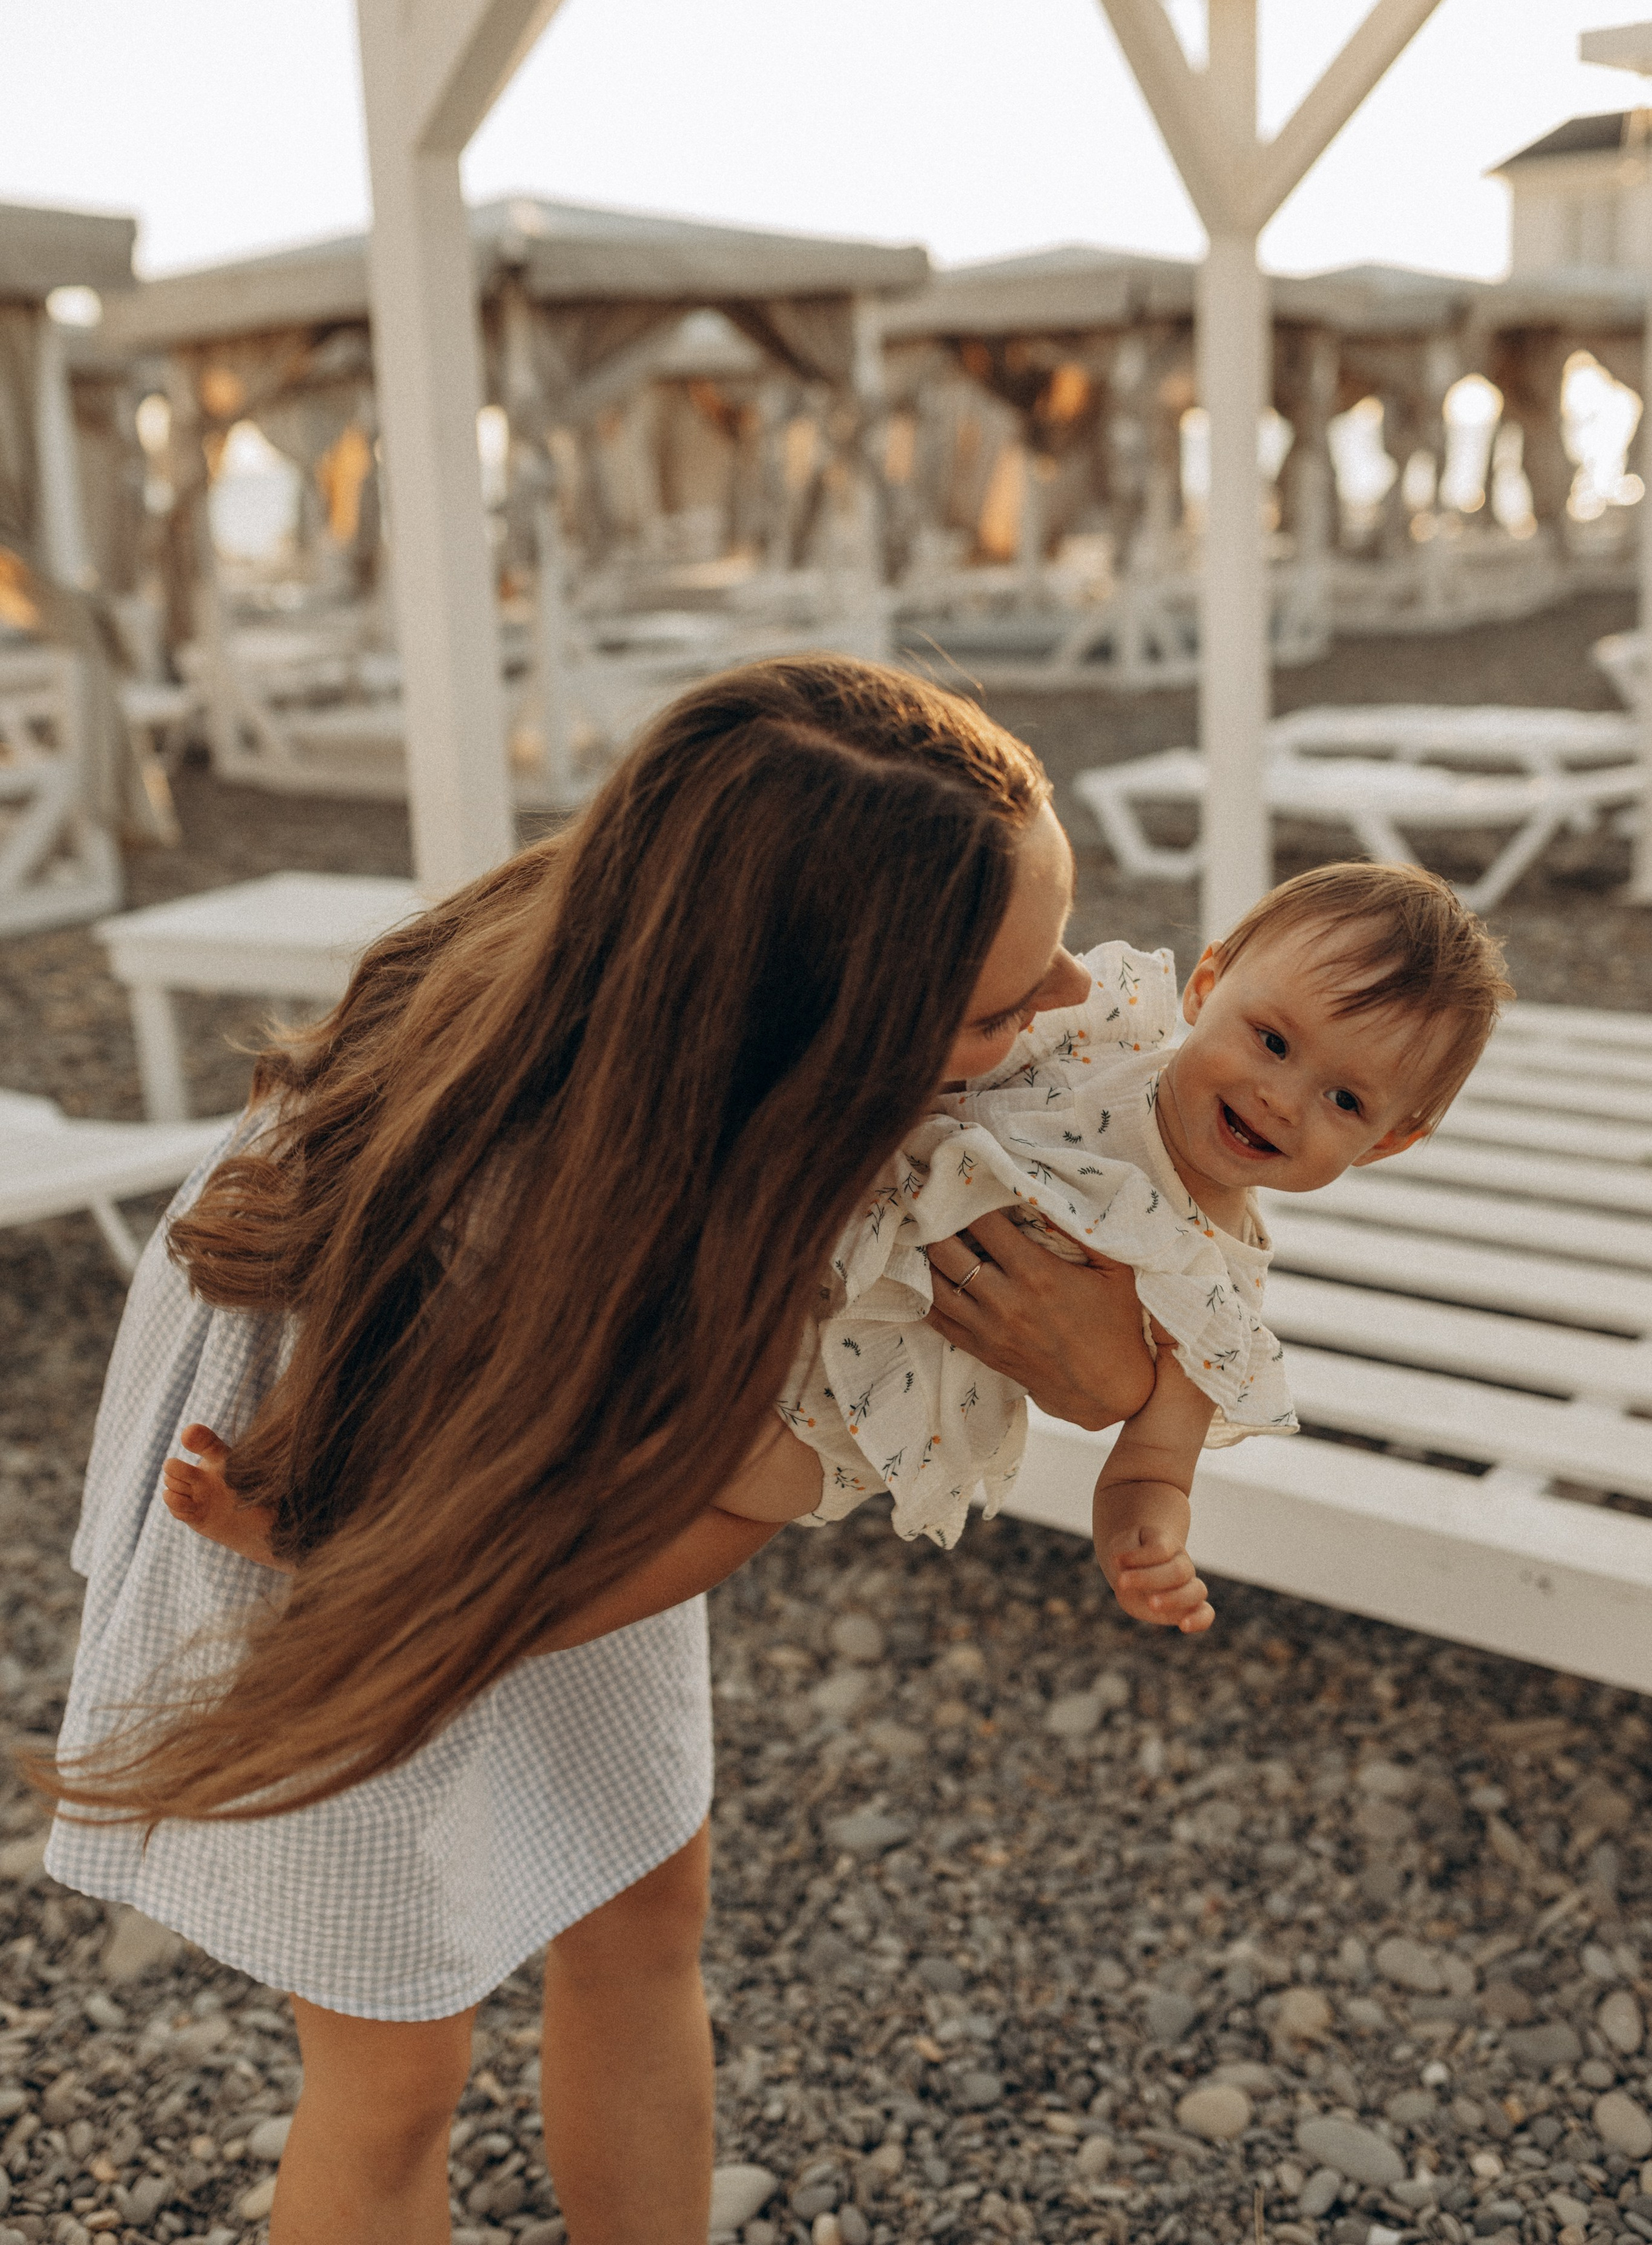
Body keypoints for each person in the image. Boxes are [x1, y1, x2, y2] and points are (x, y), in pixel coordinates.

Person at [34, 658, 1204, 2245]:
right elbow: (652, 1521)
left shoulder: (712, 1005)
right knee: (393, 2061)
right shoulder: (506, 1204)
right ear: (812, 1030)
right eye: (1001, 1003)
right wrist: (347, 1562)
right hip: (326, 1505)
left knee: (644, 1906)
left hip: (582, 1455)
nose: (1072, 1000)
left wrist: (1114, 1372)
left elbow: (1159, 1240)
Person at [777, 859, 1513, 1586]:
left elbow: (1155, 1467)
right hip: (786, 1239)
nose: (1282, 1100)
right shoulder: (1096, 1036)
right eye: (1273, 1042)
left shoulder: (1214, 1290)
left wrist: (1146, 1542)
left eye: (1344, 1100)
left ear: (1384, 1142)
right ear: (1205, 987)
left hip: (844, 1416)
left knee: (724, 1506)